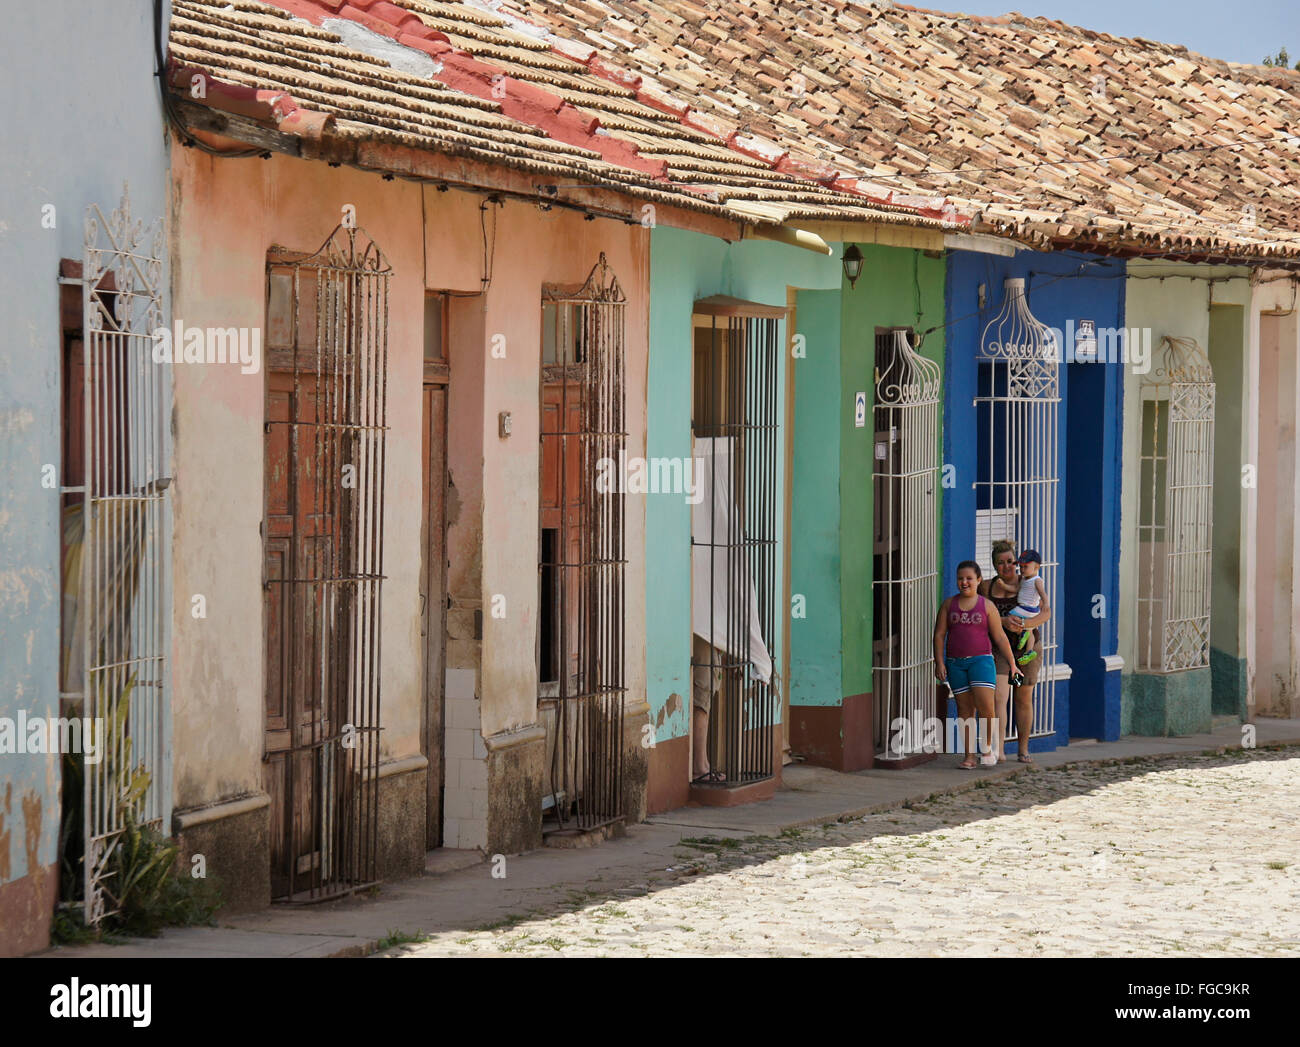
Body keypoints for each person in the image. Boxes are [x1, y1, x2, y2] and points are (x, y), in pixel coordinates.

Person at [933, 560, 1022, 769]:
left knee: (987, 708)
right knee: (964, 710)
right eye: (960, 579)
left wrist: (1012, 664)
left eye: (969, 578)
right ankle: (969, 756)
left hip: (981, 661)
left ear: (978, 580)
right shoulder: (948, 605)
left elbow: (999, 637)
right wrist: (939, 662)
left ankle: (988, 747)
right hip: (956, 664)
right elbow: (939, 635)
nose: (964, 582)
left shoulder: (987, 606)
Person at [980, 540, 1052, 763]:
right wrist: (1003, 620)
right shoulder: (986, 587)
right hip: (1000, 649)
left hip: (1025, 650)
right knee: (999, 696)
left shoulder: (1028, 582)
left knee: (1022, 697)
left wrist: (1025, 625)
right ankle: (999, 750)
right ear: (994, 565)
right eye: (1001, 563)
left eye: (1010, 562)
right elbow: (981, 616)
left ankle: (1023, 749)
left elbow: (1046, 612)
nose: (1007, 567)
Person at [1006, 549, 1046, 664]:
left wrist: (1046, 604)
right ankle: (1029, 651)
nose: (1022, 570)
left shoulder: (1037, 580)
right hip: (1028, 609)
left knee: (1011, 616)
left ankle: (1022, 632)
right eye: (1021, 567)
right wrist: (1004, 586)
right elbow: (1016, 590)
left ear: (1037, 567)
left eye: (1025, 567)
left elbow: (1043, 593)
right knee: (1031, 630)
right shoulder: (1024, 579)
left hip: (1028, 609)